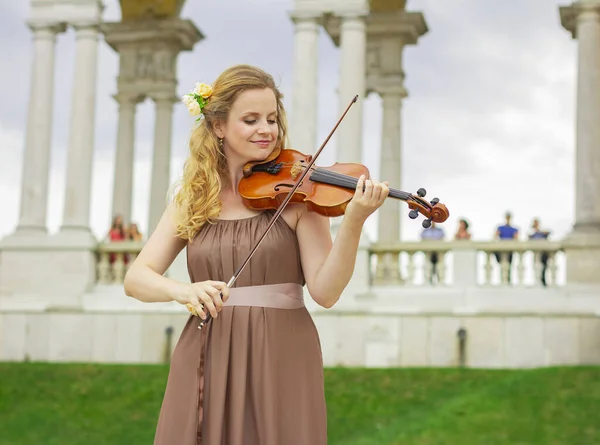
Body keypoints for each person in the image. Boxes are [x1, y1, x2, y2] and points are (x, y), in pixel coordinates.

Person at [123, 64, 389, 445]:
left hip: (282, 352)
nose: (266, 129)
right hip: (207, 349)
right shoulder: (194, 198)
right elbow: (137, 279)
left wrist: (354, 221)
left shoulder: (298, 196)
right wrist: (183, 291)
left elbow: (326, 292)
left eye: (271, 118)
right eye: (250, 119)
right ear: (218, 126)